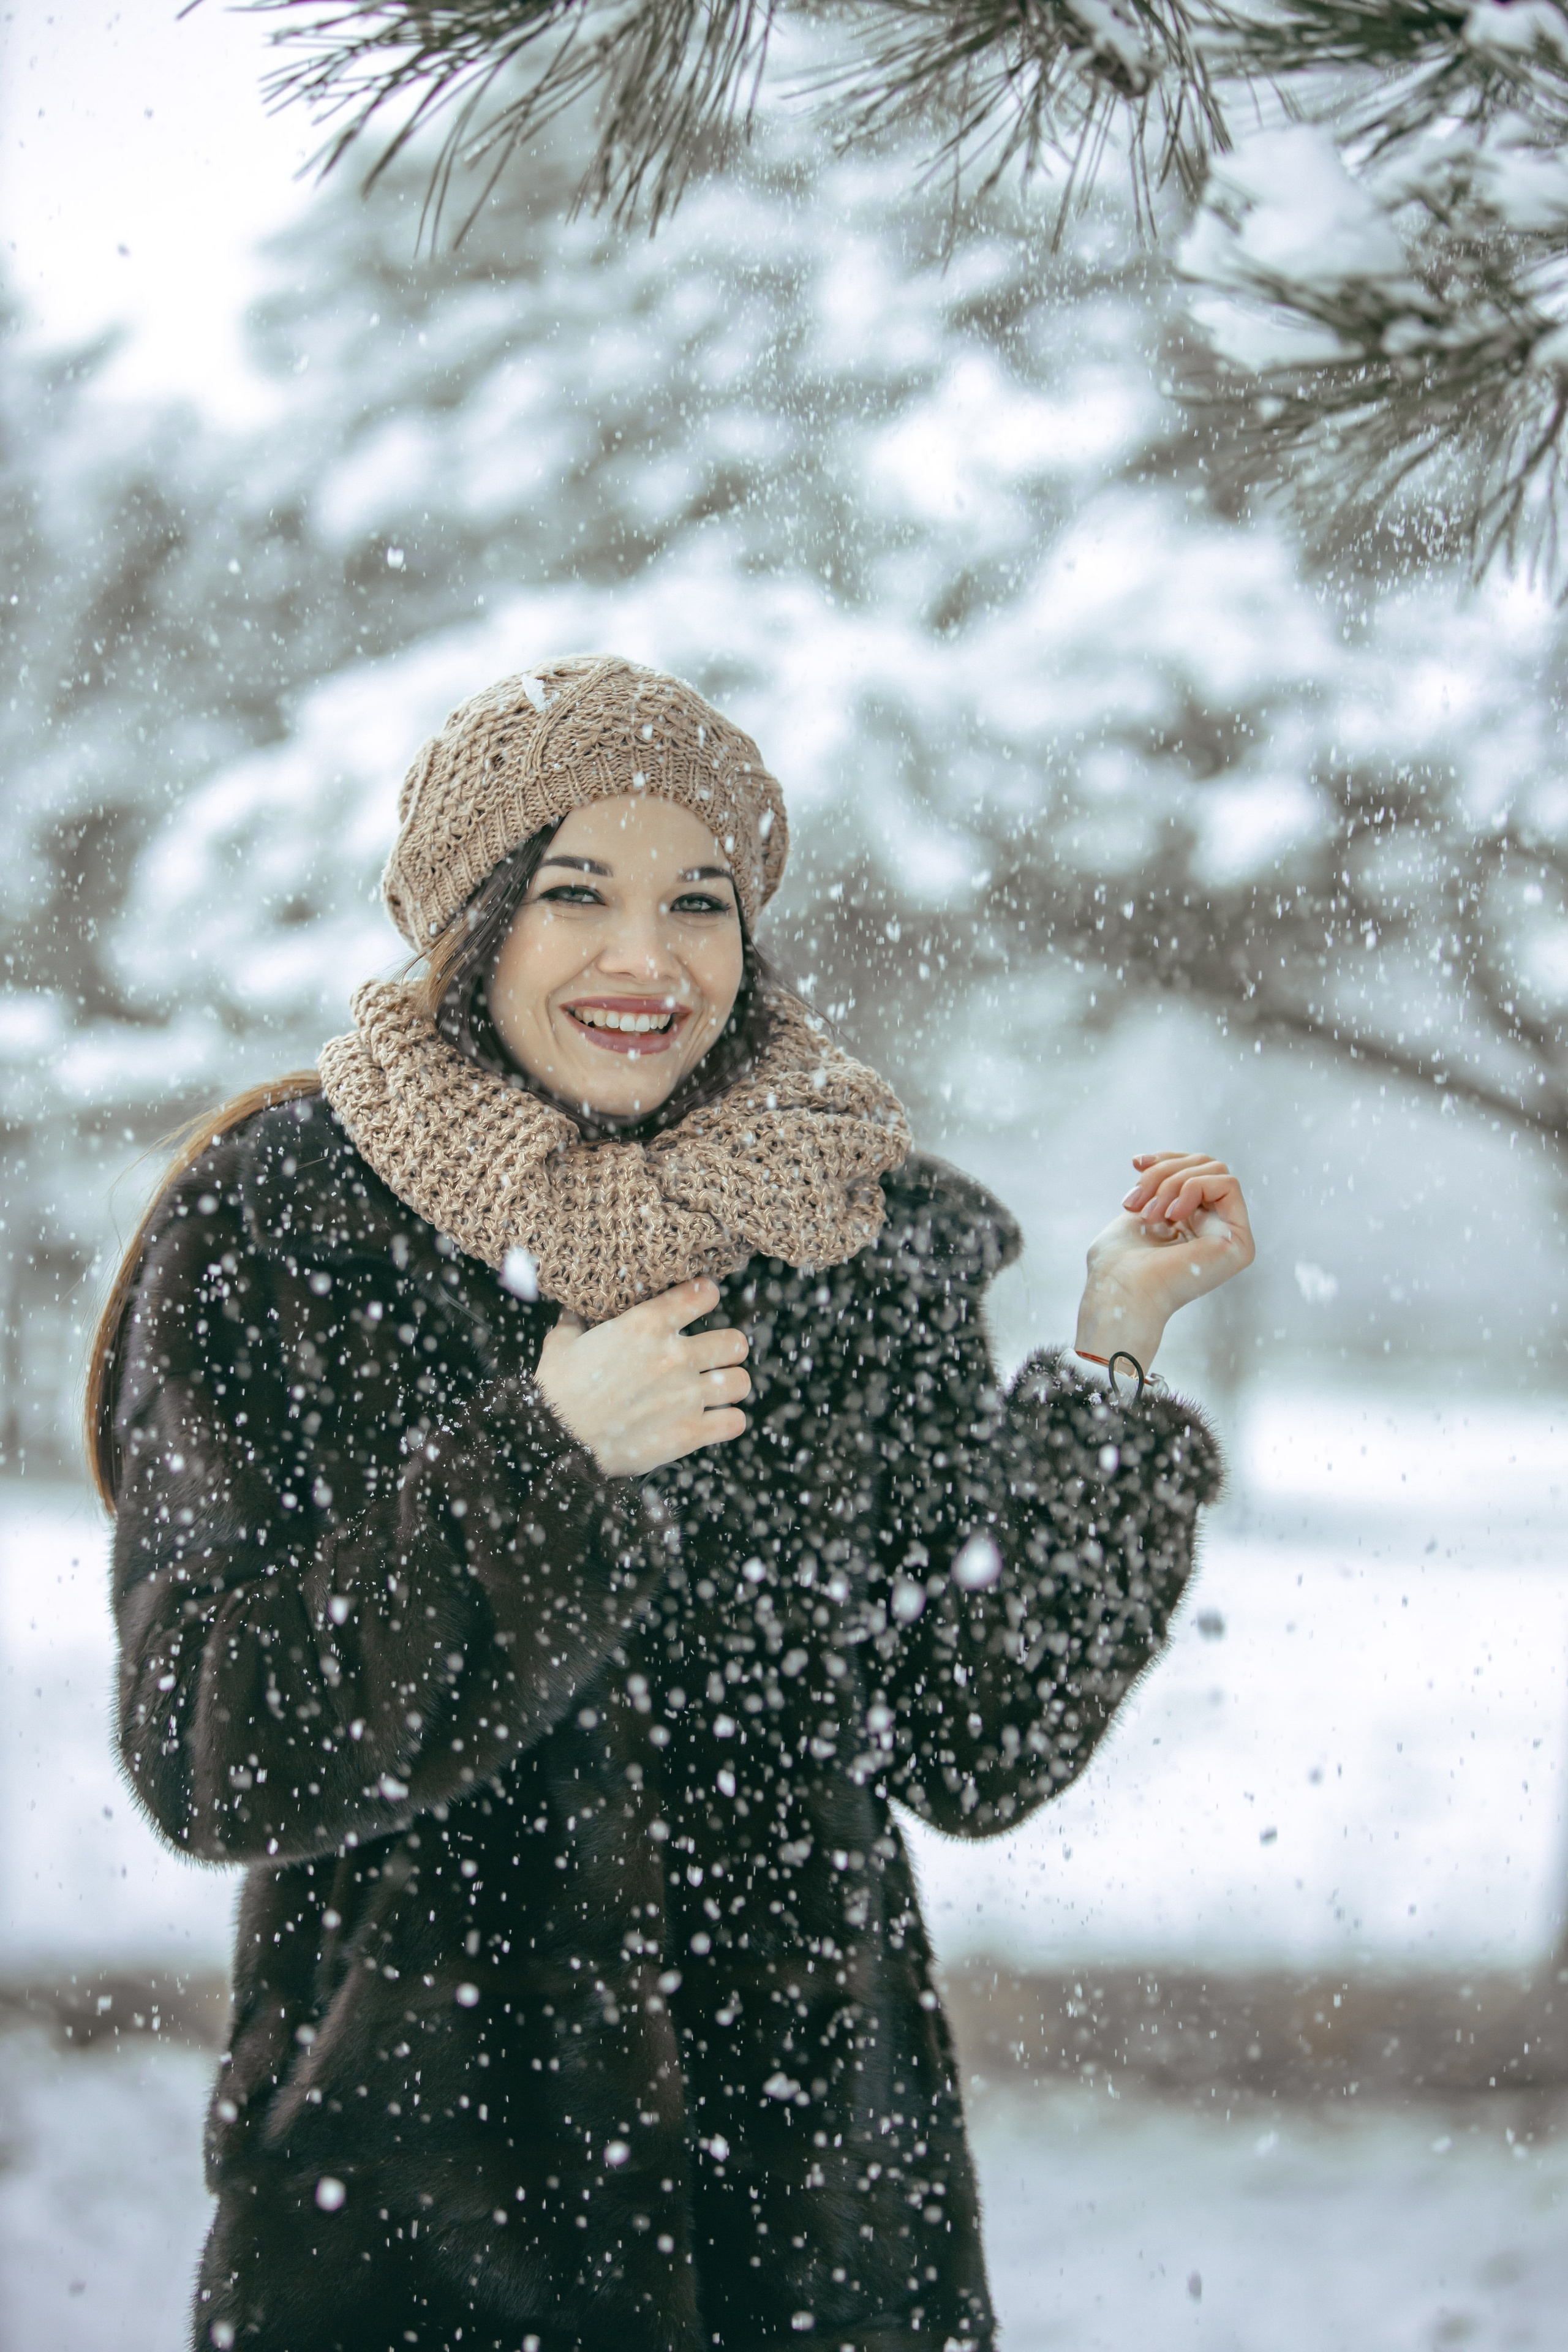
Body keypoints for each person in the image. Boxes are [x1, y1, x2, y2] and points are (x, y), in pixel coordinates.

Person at [89, 655, 1254, 2352]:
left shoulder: (859, 1240)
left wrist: (1110, 1365)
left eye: (699, 901)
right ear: (473, 921)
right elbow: (217, 1745)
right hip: (406, 2243)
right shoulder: (285, 1227)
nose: (648, 960)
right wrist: (547, 1459)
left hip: (815, 2246)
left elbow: (974, 1736)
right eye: (579, 893)